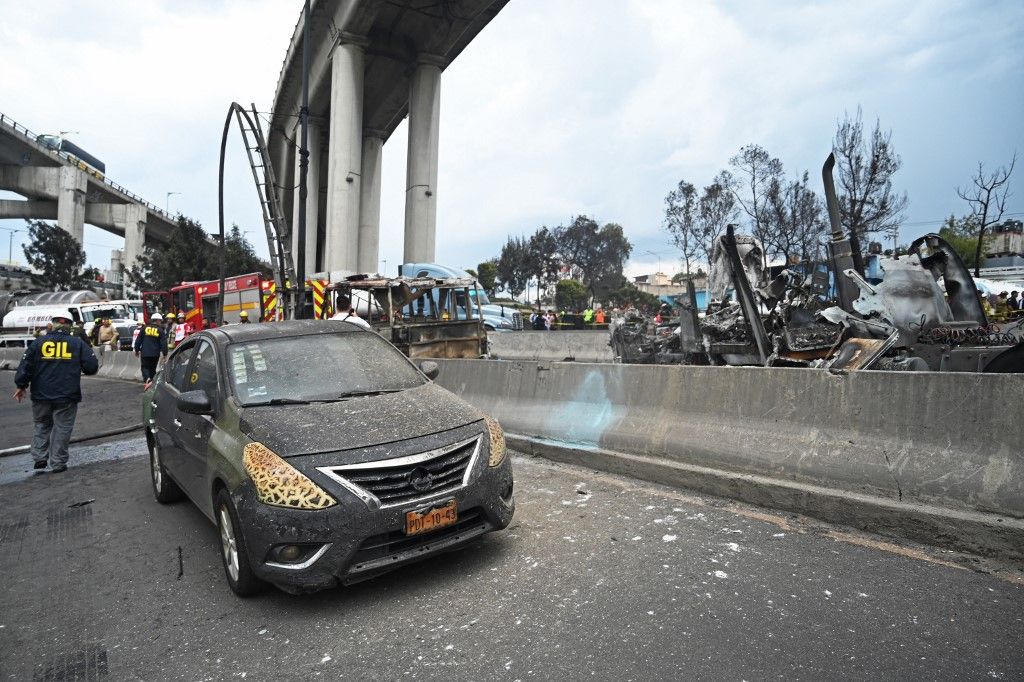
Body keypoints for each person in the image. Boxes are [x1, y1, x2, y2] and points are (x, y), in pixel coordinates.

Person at [13, 313, 99, 473]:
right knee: (62, 428)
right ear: (70, 326)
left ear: (52, 325)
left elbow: (26, 365)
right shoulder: (77, 343)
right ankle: (58, 463)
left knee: (42, 424)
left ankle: (39, 457)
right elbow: (91, 367)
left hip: (41, 394)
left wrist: (21, 385)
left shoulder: (38, 342)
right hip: (67, 395)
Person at [134, 313, 167, 390]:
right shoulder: (160, 330)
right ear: (157, 320)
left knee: (145, 367)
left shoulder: (144, 328)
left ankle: (147, 379)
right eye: (160, 321)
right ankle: (151, 383)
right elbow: (164, 343)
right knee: (152, 368)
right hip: (155, 353)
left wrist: (136, 350)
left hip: (145, 353)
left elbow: (138, 340)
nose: (160, 322)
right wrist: (165, 354)